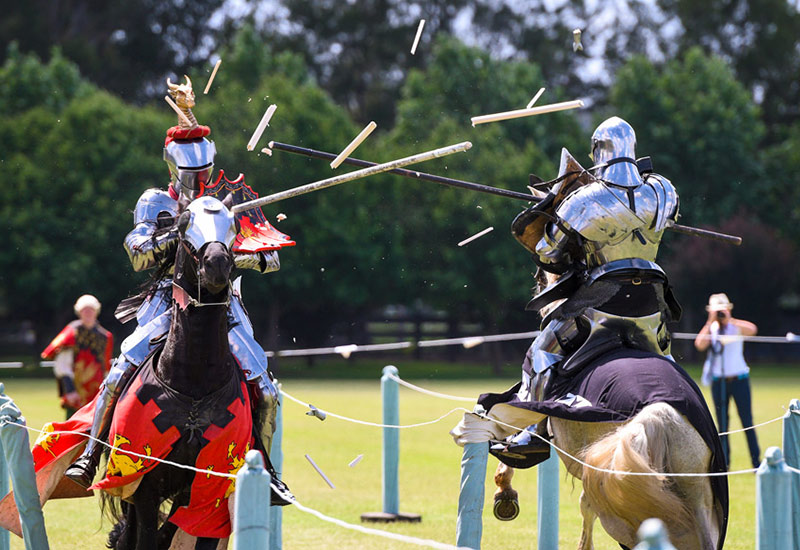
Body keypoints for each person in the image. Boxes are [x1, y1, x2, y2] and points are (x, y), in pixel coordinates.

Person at [64, 76, 283, 487]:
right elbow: (137, 253)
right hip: (171, 300)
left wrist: (228, 249)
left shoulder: (229, 201)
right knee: (118, 371)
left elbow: (269, 256)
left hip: (223, 304)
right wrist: (181, 232)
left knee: (267, 389)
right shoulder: (156, 201)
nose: (198, 177)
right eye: (189, 170)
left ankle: (266, 470)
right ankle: (93, 454)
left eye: (203, 169)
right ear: (172, 166)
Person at [451, 116, 682, 465]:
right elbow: (665, 220)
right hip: (652, 302)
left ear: (598, 152)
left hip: (603, 303)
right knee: (667, 364)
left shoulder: (584, 200)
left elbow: (547, 252)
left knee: (542, 354)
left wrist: (548, 212)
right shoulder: (662, 189)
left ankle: (534, 431)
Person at [694, 293, 760, 469]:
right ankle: (725, 464)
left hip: (739, 379)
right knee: (722, 425)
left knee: (747, 421)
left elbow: (753, 330)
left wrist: (730, 320)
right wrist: (710, 321)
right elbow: (699, 344)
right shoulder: (712, 329)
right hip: (719, 381)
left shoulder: (735, 326)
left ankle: (756, 462)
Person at [41, 295, 113, 418]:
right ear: (79, 312)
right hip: (76, 393)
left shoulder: (105, 336)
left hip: (97, 394)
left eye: (91, 309)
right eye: (85, 310)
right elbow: (62, 365)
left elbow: (105, 367)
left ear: (96, 311)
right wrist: (70, 390)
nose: (88, 313)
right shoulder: (71, 333)